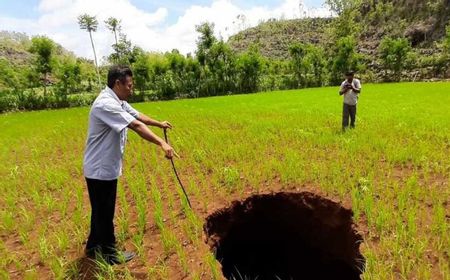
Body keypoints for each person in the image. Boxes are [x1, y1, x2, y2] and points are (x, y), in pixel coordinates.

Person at [83, 65, 176, 264]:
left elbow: (138, 116)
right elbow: (134, 125)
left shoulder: (118, 100)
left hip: (103, 167)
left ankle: (92, 246)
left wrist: (159, 123)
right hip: (100, 169)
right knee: (105, 211)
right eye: (130, 86)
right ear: (117, 83)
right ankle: (110, 253)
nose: (131, 90)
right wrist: (161, 142)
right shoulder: (105, 104)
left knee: (99, 210)